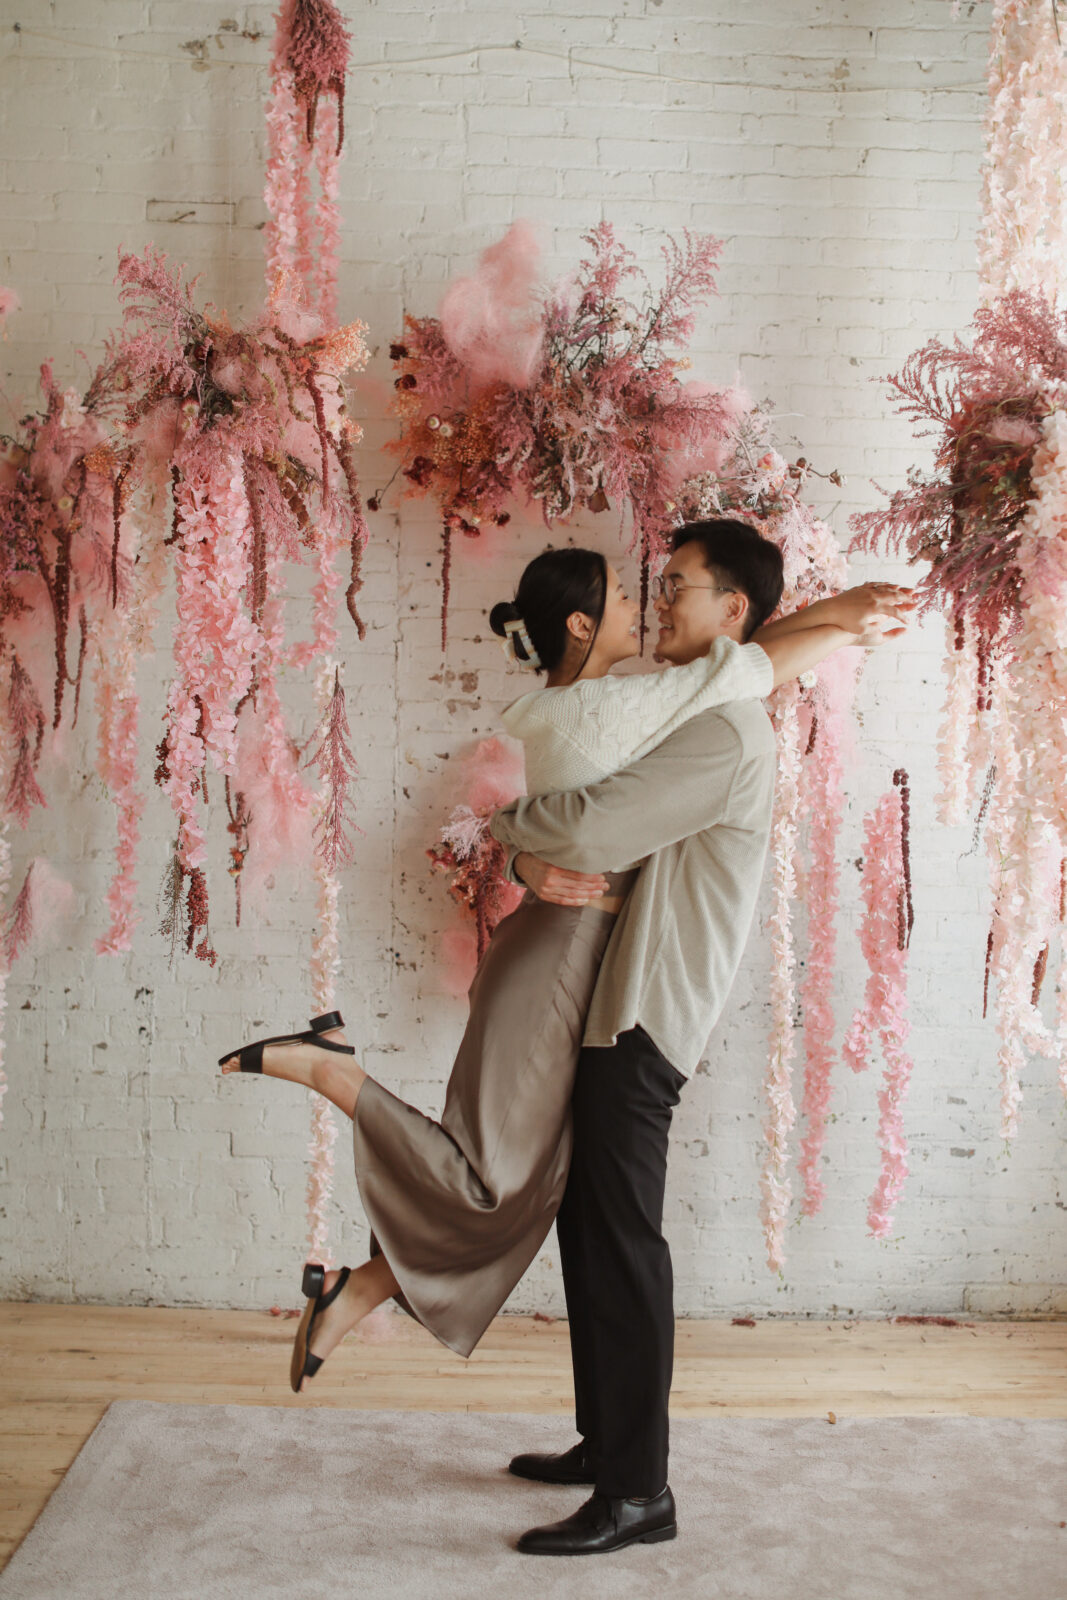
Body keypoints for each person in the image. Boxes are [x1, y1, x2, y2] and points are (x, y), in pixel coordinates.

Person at [219, 532, 910, 1412]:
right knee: (498, 1177)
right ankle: (333, 1071)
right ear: (582, 625)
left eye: (669, 589)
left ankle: (366, 1288)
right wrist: (843, 617)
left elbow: (746, 667)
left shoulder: (631, 708)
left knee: (530, 1183)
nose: (649, 604)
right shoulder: (610, 711)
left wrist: (839, 616)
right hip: (565, 953)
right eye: (633, 595)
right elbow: (746, 671)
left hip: (580, 958)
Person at [484, 519, 909, 1556]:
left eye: (676, 586)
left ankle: (638, 1492)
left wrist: (510, 830)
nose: (658, 600)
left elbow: (582, 827)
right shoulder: (690, 710)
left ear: (732, 615)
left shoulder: (718, 733)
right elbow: (571, 805)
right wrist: (516, 839)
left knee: (622, 1240)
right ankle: (605, 1440)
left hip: (644, 1013)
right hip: (611, 1007)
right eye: (656, 584)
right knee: (591, 1229)